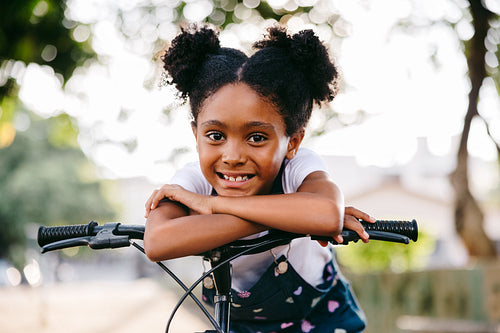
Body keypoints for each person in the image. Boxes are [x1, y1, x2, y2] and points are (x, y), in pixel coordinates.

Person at [144, 24, 374, 333]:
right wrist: (294, 217)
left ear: (292, 142)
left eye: (256, 137)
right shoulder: (193, 179)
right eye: (215, 135)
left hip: (321, 321)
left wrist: (213, 206)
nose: (233, 155)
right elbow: (158, 241)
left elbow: (325, 214)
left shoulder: (297, 168)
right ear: (195, 134)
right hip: (240, 326)